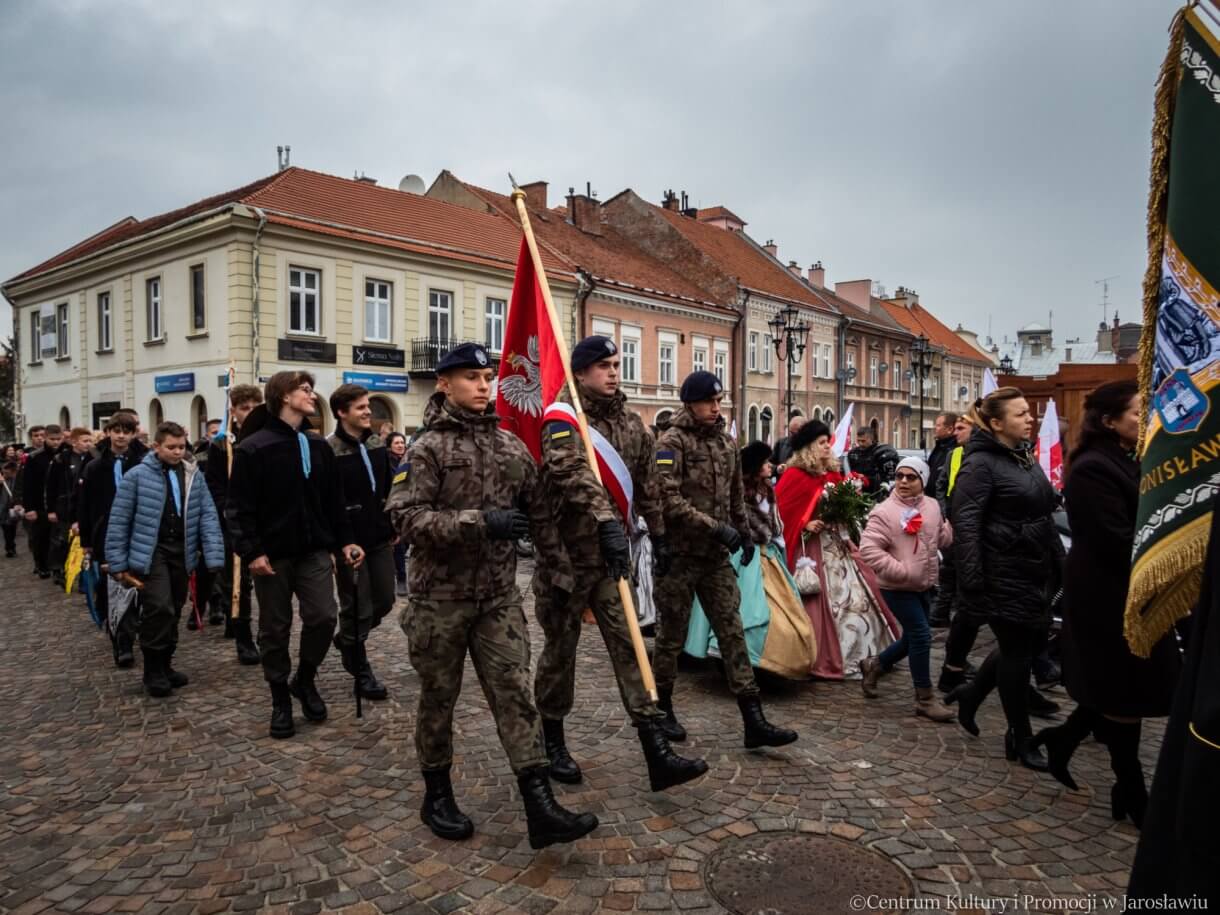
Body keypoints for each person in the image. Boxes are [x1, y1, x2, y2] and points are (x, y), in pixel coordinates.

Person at [389, 342, 598, 848]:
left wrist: (561, 570)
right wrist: (480, 523)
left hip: (498, 599)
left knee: (514, 693)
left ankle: (539, 805)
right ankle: (436, 792)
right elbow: (404, 517)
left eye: (487, 377)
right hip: (439, 600)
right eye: (471, 378)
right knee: (440, 699)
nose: (483, 386)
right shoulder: (426, 449)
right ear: (445, 384)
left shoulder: (510, 446)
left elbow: (542, 513)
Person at [532, 335, 708, 792]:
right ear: (582, 372)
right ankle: (553, 740)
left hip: (611, 562)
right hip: (566, 561)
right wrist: (606, 520)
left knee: (631, 647)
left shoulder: (632, 424)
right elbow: (568, 471)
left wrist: (661, 535)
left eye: (615, 364)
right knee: (559, 655)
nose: (613, 372)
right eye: (604, 365)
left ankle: (656, 751)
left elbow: (648, 484)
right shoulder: (562, 419)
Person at [1031, 381, 1181, 826]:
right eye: (1137, 412)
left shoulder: (1128, 460)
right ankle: (1132, 790)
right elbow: (1113, 538)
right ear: (1109, 420)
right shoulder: (1093, 468)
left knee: (1125, 688)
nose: (1145, 419)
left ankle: (1066, 741)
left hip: (1130, 591)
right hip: (1106, 595)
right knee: (1123, 689)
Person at [652, 370, 798, 748]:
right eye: (709, 402)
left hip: (716, 559)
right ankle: (662, 708)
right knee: (670, 637)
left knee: (732, 633)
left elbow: (736, 497)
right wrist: (716, 528)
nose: (716, 408)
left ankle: (754, 719)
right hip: (682, 556)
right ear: (691, 403)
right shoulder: (671, 442)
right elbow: (668, 500)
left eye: (719, 401)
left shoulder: (727, 443)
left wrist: (745, 534)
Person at [226, 371, 364, 739]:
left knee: (323, 616)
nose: (310, 394)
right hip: (271, 555)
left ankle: (303, 679)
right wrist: (251, 551)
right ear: (283, 396)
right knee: (275, 628)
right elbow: (238, 508)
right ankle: (279, 699)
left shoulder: (318, 446)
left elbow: (334, 502)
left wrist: (344, 542)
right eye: (304, 389)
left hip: (314, 550)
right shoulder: (253, 448)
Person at [945, 387, 1064, 772]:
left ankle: (973, 692)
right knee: (1017, 653)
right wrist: (974, 584)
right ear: (996, 423)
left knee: (1025, 644)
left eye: (1028, 412)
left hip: (1032, 568)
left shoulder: (1023, 457)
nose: (1029, 419)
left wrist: (1060, 563)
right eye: (1020, 414)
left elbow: (1043, 514)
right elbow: (966, 525)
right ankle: (1020, 736)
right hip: (1001, 572)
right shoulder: (980, 465)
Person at [105, 422, 225, 698]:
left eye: (182, 447)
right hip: (151, 551)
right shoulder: (136, 476)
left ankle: (166, 663)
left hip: (181, 551)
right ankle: (152, 668)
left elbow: (207, 512)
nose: (177, 452)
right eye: (171, 447)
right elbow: (120, 519)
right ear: (156, 446)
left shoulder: (193, 475)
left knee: (175, 606)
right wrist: (117, 561)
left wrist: (213, 552)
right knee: (159, 606)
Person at [776, 420, 899, 680]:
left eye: (826, 442)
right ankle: (817, 655)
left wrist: (847, 507)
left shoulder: (831, 474)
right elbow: (782, 512)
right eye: (821, 443)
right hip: (810, 547)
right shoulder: (795, 475)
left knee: (857, 597)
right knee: (816, 599)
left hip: (837, 542)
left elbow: (841, 502)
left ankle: (866, 653)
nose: (826, 447)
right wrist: (804, 522)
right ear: (809, 447)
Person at [686, 441, 817, 679]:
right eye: (765, 462)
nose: (770, 466)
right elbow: (739, 522)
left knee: (780, 608)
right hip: (744, 555)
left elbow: (774, 522)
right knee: (746, 607)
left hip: (767, 554)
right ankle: (738, 659)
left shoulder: (768, 488)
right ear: (755, 467)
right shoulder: (738, 493)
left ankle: (767, 661)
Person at [858, 456, 955, 722]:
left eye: (911, 477)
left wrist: (948, 530)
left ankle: (875, 664)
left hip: (924, 584)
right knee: (922, 635)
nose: (903, 481)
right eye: (900, 476)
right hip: (897, 586)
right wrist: (900, 570)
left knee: (913, 638)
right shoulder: (884, 511)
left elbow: (940, 539)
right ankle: (925, 698)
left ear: (922, 480)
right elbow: (868, 549)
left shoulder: (933, 507)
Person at [327, 384, 396, 702]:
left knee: (384, 600)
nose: (368, 411)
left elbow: (386, 487)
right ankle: (360, 668)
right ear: (342, 413)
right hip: (349, 543)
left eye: (368, 406)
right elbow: (328, 501)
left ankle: (348, 638)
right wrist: (339, 541)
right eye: (360, 407)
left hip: (379, 536)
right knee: (356, 605)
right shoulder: (329, 451)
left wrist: (391, 520)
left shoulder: (376, 443)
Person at [78, 412, 147, 667]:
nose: (120, 435)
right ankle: (121, 641)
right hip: (105, 534)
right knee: (112, 587)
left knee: (135, 584)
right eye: (116, 430)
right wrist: (87, 539)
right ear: (108, 433)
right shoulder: (95, 466)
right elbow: (85, 505)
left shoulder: (142, 463)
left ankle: (133, 630)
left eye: (126, 431)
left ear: (133, 434)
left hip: (137, 532)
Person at [205, 385, 262, 666]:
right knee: (238, 581)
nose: (249, 413)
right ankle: (243, 636)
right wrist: (226, 511)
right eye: (244, 408)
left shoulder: (268, 438)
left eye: (254, 407)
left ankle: (266, 633)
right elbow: (214, 485)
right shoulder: (221, 445)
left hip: (264, 520)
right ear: (233, 411)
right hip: (235, 522)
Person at [932, 411, 982, 671]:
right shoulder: (954, 455)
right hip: (953, 521)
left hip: (970, 526)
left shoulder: (981, 459)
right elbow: (941, 485)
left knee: (962, 581)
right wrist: (943, 512)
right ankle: (940, 614)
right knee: (949, 572)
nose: (955, 432)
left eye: (961, 428)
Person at [45, 427, 93, 586]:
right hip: (64, 506)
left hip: (84, 505)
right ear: (74, 441)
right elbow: (51, 485)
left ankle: (82, 576)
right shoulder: (61, 459)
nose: (88, 444)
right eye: (85, 441)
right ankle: (58, 569)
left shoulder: (93, 458)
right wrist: (51, 509)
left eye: (90, 441)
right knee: (62, 540)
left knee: (82, 542)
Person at [14, 424, 59, 578]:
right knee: (41, 537)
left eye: (58, 439)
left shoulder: (65, 454)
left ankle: (56, 566)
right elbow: (27, 484)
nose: (56, 442)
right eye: (52, 439)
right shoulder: (33, 457)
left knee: (57, 537)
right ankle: (42, 565)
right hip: (39, 502)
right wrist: (28, 507)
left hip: (59, 502)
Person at [385, 432, 409, 598]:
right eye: (397, 443)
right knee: (400, 546)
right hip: (394, 508)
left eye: (402, 442)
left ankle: (394, 567)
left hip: (409, 507)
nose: (400, 445)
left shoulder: (409, 460)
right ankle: (401, 579)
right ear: (390, 446)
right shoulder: (388, 462)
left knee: (406, 543)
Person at [847, 426, 900, 496]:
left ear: (871, 439)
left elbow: (889, 477)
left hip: (877, 492)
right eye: (858, 441)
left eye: (863, 441)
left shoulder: (883, 452)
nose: (860, 444)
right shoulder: (853, 454)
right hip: (858, 492)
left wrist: (867, 479)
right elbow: (851, 472)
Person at [925, 412, 958, 502]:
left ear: (950, 429)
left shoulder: (954, 450)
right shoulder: (939, 448)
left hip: (943, 503)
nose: (935, 428)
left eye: (938, 426)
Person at [1, 461, 19, 558]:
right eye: (3, 473)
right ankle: (10, 548)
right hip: (3, 508)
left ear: (13, 472)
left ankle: (11, 546)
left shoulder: (18, 480)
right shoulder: (2, 480)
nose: (4, 475)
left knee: (12, 528)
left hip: (14, 508)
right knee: (6, 528)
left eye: (7, 473)